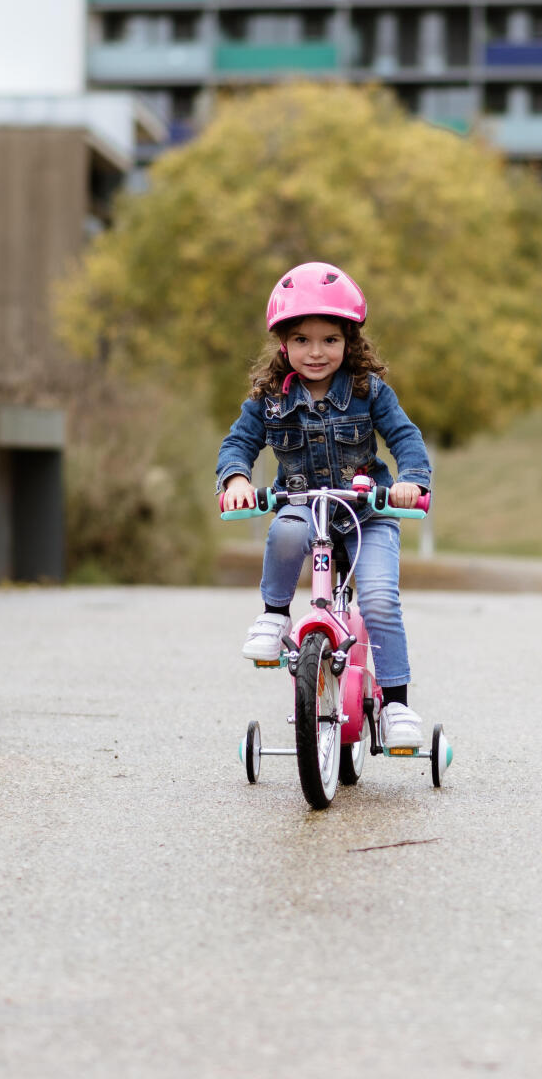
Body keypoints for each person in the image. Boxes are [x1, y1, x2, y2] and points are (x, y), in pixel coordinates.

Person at [216, 262, 434, 750]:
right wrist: (235, 479)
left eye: (330, 340)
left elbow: (406, 438)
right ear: (283, 345)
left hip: (367, 513)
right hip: (303, 507)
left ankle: (396, 703)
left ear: (349, 343)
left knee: (379, 598)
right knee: (286, 531)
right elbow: (238, 444)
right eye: (302, 340)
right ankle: (275, 614)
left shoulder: (368, 392)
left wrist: (410, 483)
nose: (316, 353)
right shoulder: (268, 400)